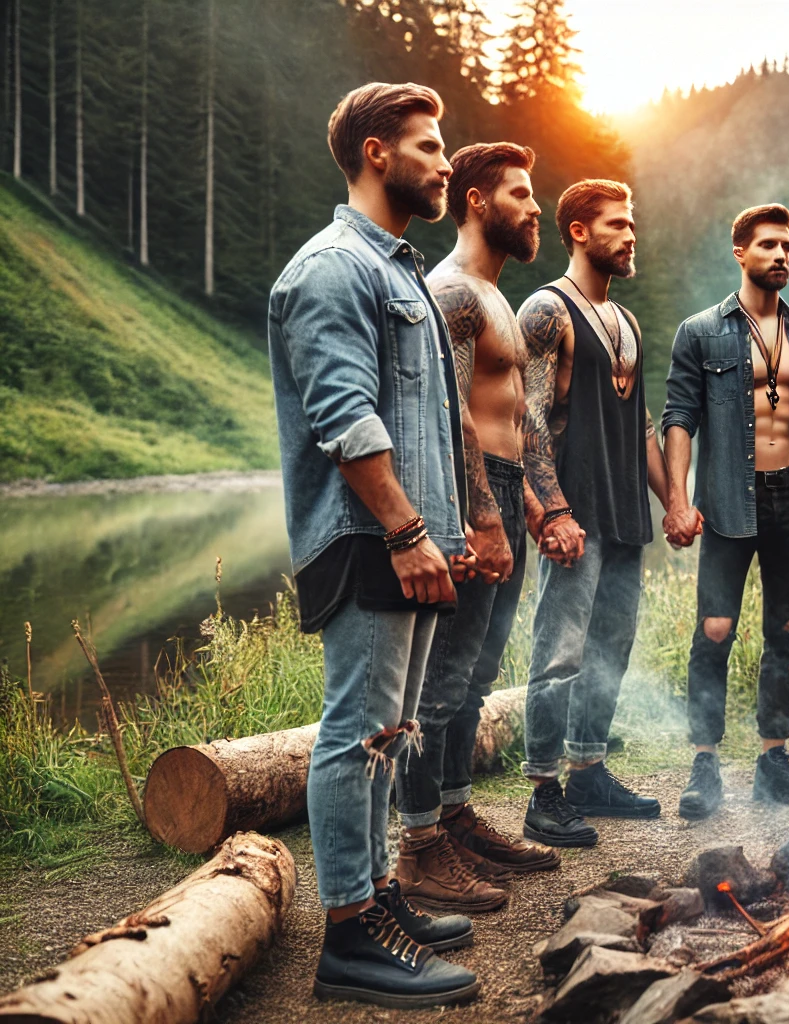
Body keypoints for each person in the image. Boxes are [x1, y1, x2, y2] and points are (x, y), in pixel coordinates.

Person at [267, 81, 480, 1008]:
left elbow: (429, 420)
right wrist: (403, 530)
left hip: (412, 538)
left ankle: (381, 897)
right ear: (376, 154)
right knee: (355, 733)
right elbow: (343, 417)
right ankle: (349, 936)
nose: (444, 161)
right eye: (429, 146)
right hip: (367, 539)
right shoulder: (332, 269)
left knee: (393, 734)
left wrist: (451, 527)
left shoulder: (399, 270)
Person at [394, 142, 562, 910]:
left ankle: (456, 815)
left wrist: (535, 500)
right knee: (442, 682)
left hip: (501, 494)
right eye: (522, 195)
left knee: (477, 676)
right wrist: (483, 515)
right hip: (466, 499)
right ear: (475, 202)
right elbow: (453, 411)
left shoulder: (496, 296)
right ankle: (419, 845)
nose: (534, 210)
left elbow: (515, 414)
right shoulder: (454, 293)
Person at [661, 204, 789, 820]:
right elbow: (679, 418)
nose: (781, 256)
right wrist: (677, 499)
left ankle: (773, 760)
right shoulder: (700, 331)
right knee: (715, 630)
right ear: (740, 252)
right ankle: (704, 764)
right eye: (769, 245)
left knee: (787, 632)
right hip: (727, 500)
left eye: (787, 247)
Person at [515, 179, 674, 844]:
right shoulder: (547, 311)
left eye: (631, 223)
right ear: (578, 230)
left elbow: (640, 425)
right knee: (560, 652)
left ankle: (589, 771)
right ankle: (542, 791)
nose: (630, 234)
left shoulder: (627, 321)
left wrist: (676, 503)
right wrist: (552, 512)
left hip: (623, 511)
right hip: (574, 514)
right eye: (616, 224)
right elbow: (525, 418)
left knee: (610, 647)